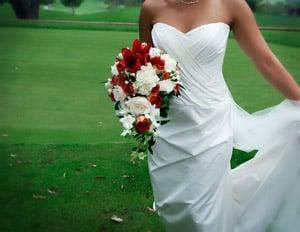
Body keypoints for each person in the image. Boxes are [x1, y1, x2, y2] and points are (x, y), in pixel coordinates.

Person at [138, 0, 300, 231]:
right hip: (167, 127)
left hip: (211, 123)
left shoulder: (231, 5)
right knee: (172, 205)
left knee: (204, 211)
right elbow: (146, 67)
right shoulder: (152, 7)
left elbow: (266, 62)